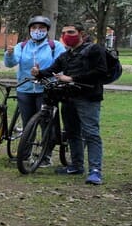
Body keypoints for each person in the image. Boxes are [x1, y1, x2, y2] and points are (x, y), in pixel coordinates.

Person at [38, 21, 106, 184]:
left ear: (81, 33)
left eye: (71, 32)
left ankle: (95, 170)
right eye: (64, 33)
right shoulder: (65, 55)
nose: (66, 36)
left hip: (88, 98)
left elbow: (100, 72)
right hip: (68, 98)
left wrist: (73, 78)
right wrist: (38, 73)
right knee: (71, 133)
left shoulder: (94, 50)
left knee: (91, 133)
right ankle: (76, 165)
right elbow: (51, 70)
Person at [2, 15, 66, 134]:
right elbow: (10, 63)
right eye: (34, 27)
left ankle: (46, 150)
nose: (37, 30)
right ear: (30, 30)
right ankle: (25, 151)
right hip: (25, 89)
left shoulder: (55, 46)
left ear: (47, 30)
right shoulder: (22, 46)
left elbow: (62, 65)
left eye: (41, 28)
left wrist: (42, 73)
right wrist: (9, 54)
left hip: (46, 90)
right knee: (28, 124)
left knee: (46, 123)